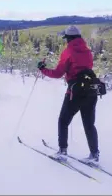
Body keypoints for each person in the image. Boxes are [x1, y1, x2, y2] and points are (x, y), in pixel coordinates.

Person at [37, 25, 101, 164]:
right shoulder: (88, 51)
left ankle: (63, 151)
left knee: (63, 121)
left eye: (66, 38)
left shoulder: (68, 51)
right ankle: (94, 154)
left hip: (75, 92)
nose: (65, 40)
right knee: (89, 124)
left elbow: (58, 73)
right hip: (91, 90)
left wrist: (43, 69)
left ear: (70, 38)